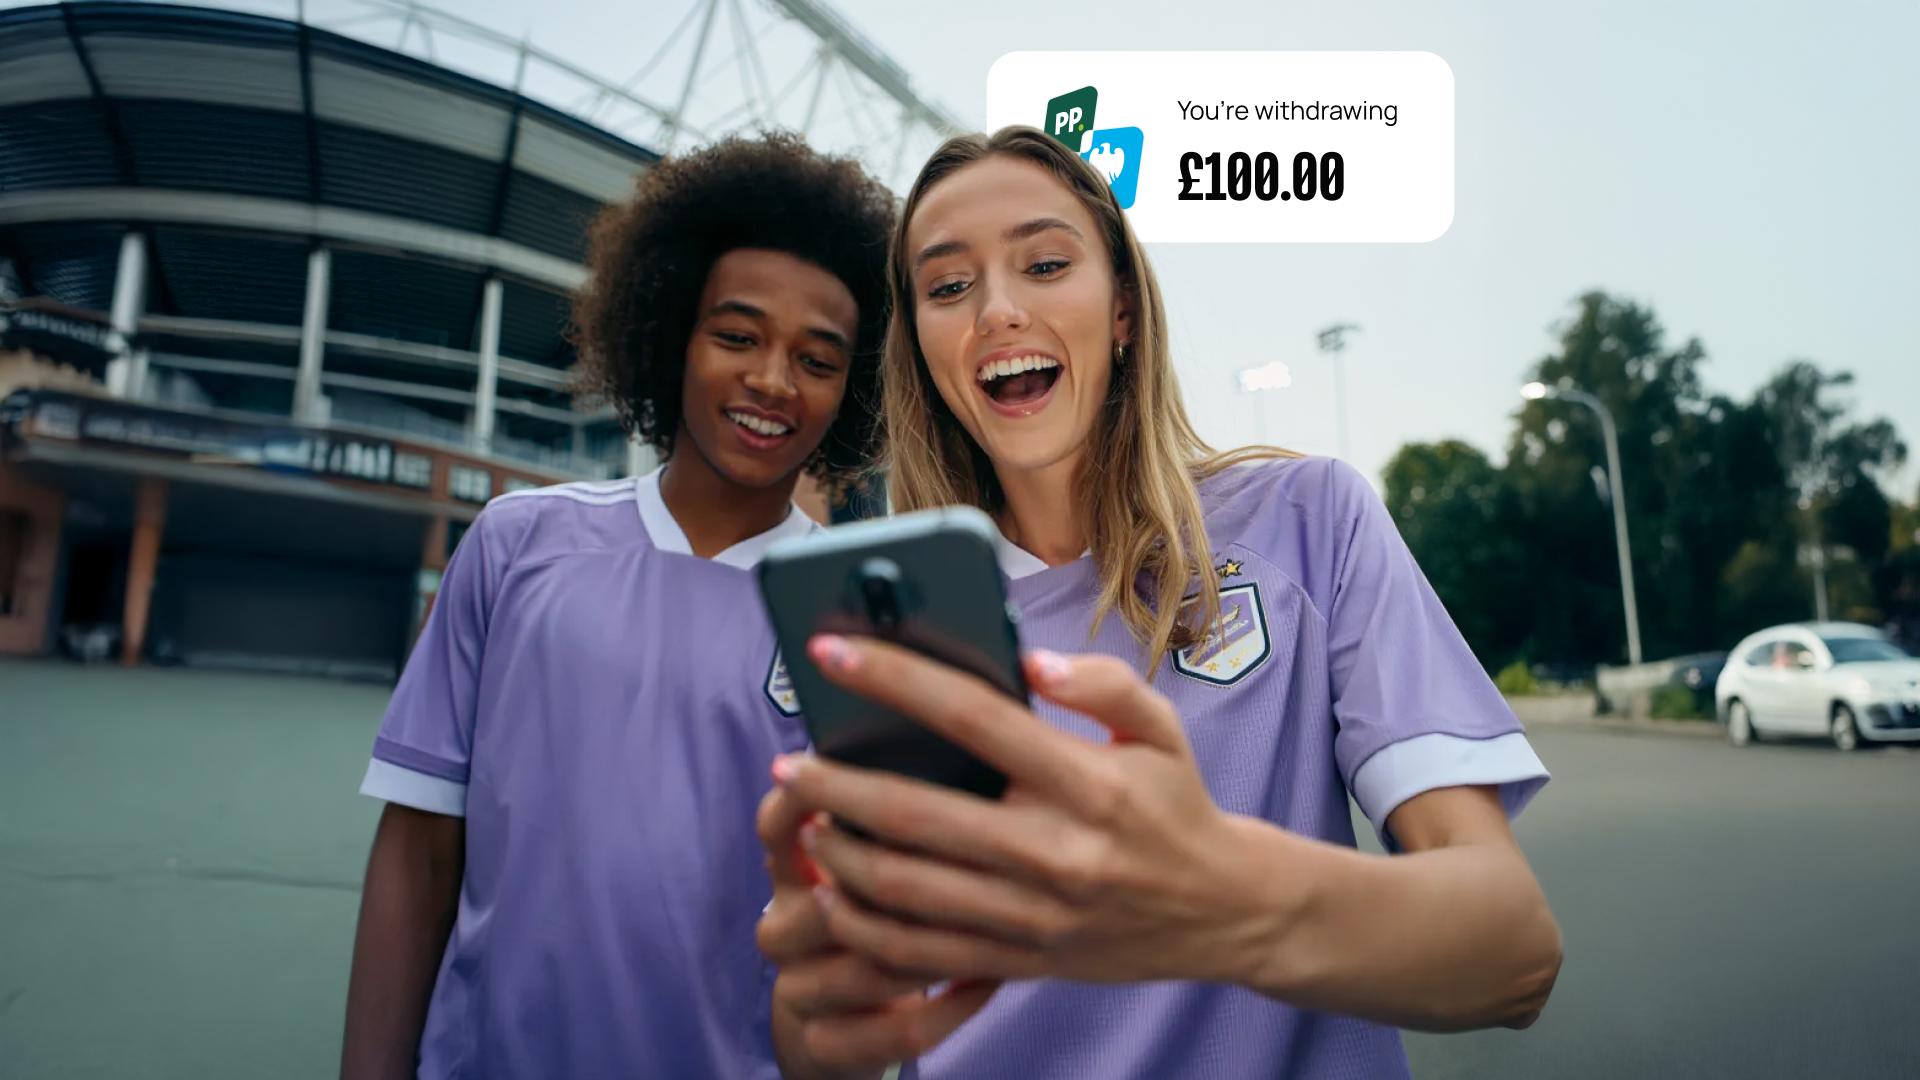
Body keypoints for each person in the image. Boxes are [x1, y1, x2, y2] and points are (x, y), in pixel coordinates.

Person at [755, 126, 1563, 1080]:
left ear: (1125, 309)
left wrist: (1217, 900)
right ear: (923, 349)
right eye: (947, 287)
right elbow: (826, 1029)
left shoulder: (1309, 521)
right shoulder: (886, 633)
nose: (998, 310)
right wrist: (817, 1023)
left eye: (1046, 263)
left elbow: (1514, 953)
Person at [339, 132, 895, 1080]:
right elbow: (421, 849)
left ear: (855, 389)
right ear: (672, 332)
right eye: (737, 336)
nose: (771, 379)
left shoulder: (860, 615)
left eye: (817, 358)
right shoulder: (518, 543)